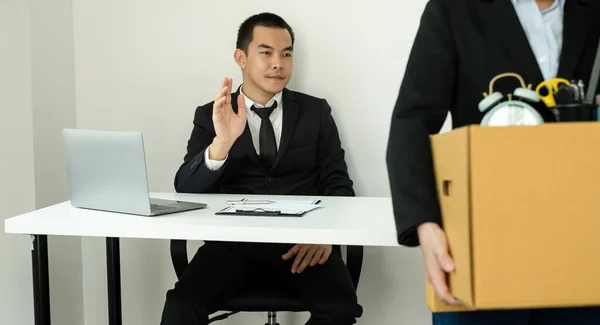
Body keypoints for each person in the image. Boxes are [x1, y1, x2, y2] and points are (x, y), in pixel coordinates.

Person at [386, 0, 600, 324]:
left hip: (581, 251)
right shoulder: (454, 9)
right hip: (481, 250)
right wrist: (425, 224)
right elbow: (411, 123)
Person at [160, 12, 362, 325]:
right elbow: (185, 187)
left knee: (341, 307)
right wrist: (222, 144)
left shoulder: (315, 111)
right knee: (181, 305)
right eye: (266, 52)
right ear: (241, 57)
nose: (278, 63)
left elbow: (338, 185)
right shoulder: (211, 114)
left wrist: (325, 236)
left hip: (302, 246)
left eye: (286, 54)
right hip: (231, 248)